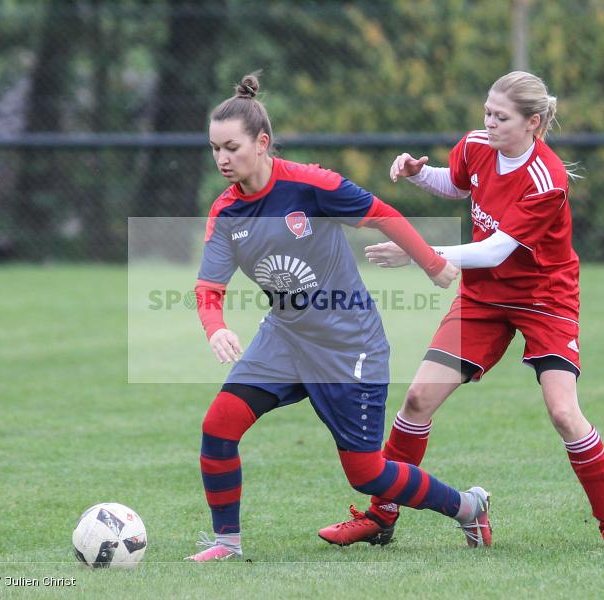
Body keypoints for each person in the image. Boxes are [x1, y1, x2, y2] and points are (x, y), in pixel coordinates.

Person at [318, 71, 604, 549]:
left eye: (501, 117)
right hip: (484, 298)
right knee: (418, 400)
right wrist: (418, 174)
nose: (489, 123)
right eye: (487, 111)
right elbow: (459, 184)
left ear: (532, 123)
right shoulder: (476, 144)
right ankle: (380, 516)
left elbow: (494, 251)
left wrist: (419, 252)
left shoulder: (545, 180)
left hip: (544, 299)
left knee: (565, 413)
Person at [186, 72, 493, 562]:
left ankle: (468, 507)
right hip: (284, 341)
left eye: (231, 147)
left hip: (350, 344)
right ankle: (226, 543)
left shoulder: (310, 184)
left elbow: (381, 213)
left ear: (262, 143)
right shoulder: (225, 213)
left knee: (367, 472)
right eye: (214, 149)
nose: (222, 159)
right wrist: (216, 326)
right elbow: (208, 288)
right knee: (218, 427)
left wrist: (431, 263)